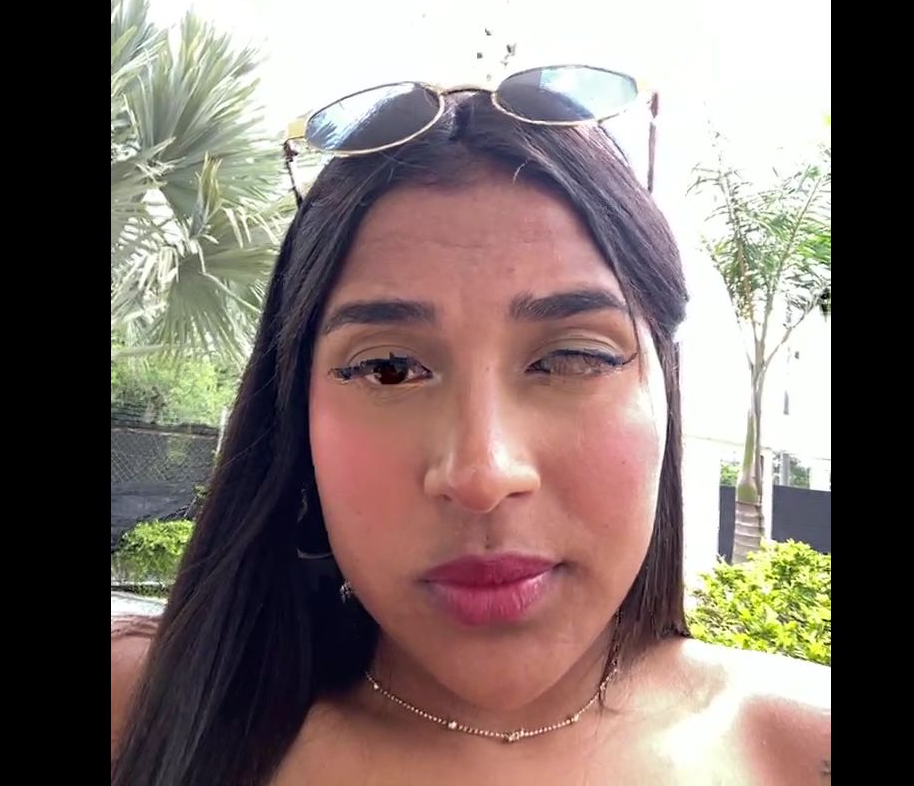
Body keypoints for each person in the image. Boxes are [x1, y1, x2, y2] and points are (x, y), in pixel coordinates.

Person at [111, 67, 830, 785]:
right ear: (297, 416)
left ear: (665, 392)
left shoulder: (801, 751)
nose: (483, 475)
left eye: (573, 357)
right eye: (389, 369)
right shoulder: (142, 709)